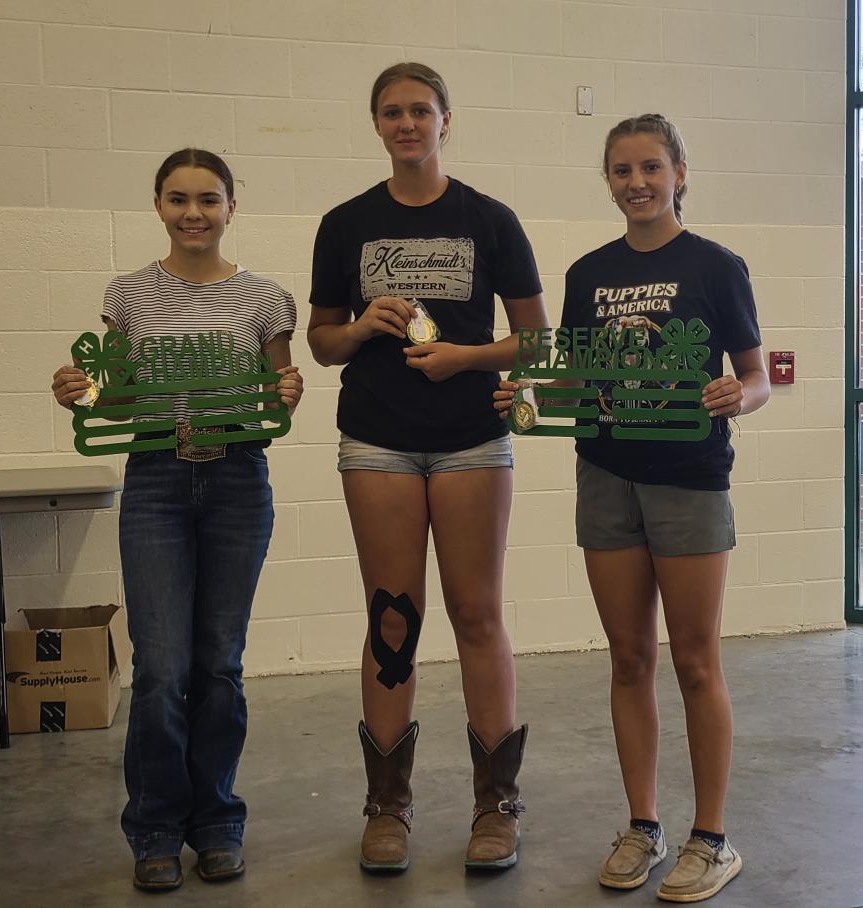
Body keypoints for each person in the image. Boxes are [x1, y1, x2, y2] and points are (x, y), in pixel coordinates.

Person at [496, 113, 770, 903]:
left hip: (689, 476)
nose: (637, 183)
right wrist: (527, 394)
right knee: (628, 659)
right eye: (622, 171)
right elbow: (580, 380)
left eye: (651, 167)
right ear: (608, 180)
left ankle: (711, 839)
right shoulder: (588, 274)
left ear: (680, 171)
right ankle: (644, 826)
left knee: (694, 660)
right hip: (606, 475)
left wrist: (737, 397)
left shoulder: (717, 266)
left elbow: (755, 377)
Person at [306, 62, 550, 874]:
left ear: (448, 119)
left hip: (472, 440)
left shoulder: (491, 219)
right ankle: (387, 806)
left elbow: (534, 340)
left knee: (477, 614)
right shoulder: (344, 224)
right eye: (391, 112)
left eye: (420, 110)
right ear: (376, 124)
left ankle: (497, 805)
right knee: (392, 621)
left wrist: (464, 358)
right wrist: (362, 326)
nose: (407, 124)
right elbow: (321, 342)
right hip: (376, 441)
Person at [49, 149, 304, 893]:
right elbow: (118, 398)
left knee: (219, 664)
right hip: (157, 480)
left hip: (236, 480)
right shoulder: (128, 295)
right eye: (178, 198)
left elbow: (277, 396)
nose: (194, 212)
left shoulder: (266, 299)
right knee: (162, 669)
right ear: (158, 205)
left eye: (209, 198)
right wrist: (82, 395)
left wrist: (286, 393)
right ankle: (156, 828)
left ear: (231, 207)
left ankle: (218, 821)